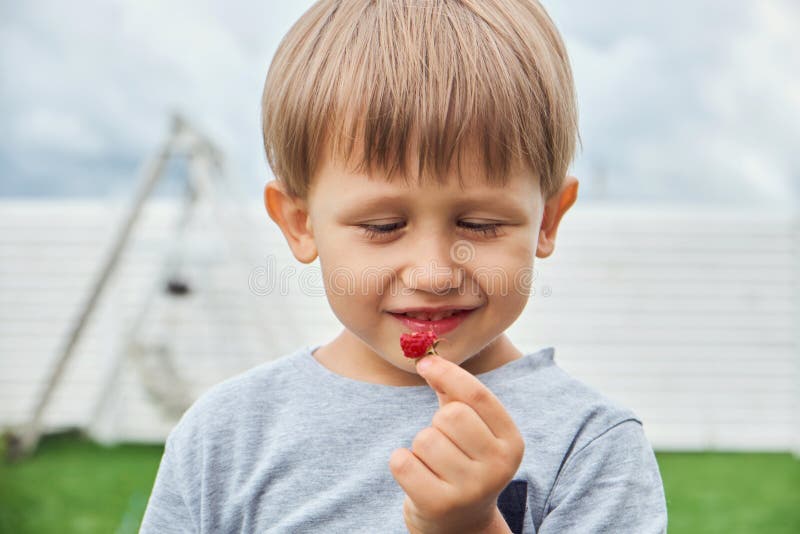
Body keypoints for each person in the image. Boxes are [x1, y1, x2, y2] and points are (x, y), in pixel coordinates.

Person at [140, 1, 668, 532]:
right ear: (301, 224)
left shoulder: (590, 447)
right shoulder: (226, 438)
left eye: (481, 224)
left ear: (547, 220)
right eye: (384, 226)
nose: (434, 273)